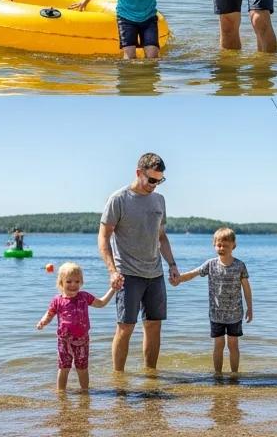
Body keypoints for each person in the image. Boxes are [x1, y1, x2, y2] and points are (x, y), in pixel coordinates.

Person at [98, 153, 180, 371]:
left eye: (160, 180)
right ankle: (118, 379)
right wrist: (112, 271)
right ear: (138, 173)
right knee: (125, 327)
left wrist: (172, 264)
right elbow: (103, 237)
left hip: (155, 274)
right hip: (127, 274)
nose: (155, 185)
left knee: (154, 326)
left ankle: (150, 377)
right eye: (151, 180)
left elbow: (161, 237)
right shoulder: (119, 199)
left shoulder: (159, 200)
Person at [175, 227, 253, 375]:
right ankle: (217, 375)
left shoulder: (239, 266)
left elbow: (246, 288)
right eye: (219, 245)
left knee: (233, 345)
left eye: (225, 245)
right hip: (216, 314)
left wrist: (250, 307)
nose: (221, 248)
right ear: (214, 245)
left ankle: (234, 375)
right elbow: (194, 273)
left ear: (233, 246)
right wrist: (179, 279)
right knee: (218, 345)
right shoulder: (210, 264)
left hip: (234, 314)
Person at [36, 262, 115, 391]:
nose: (73, 285)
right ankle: (61, 393)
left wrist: (113, 289)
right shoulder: (58, 300)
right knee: (64, 368)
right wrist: (43, 322)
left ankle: (85, 392)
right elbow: (49, 314)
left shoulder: (84, 297)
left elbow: (101, 303)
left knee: (82, 368)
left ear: (81, 282)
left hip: (82, 340)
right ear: (61, 283)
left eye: (77, 281)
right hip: (64, 341)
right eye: (69, 281)